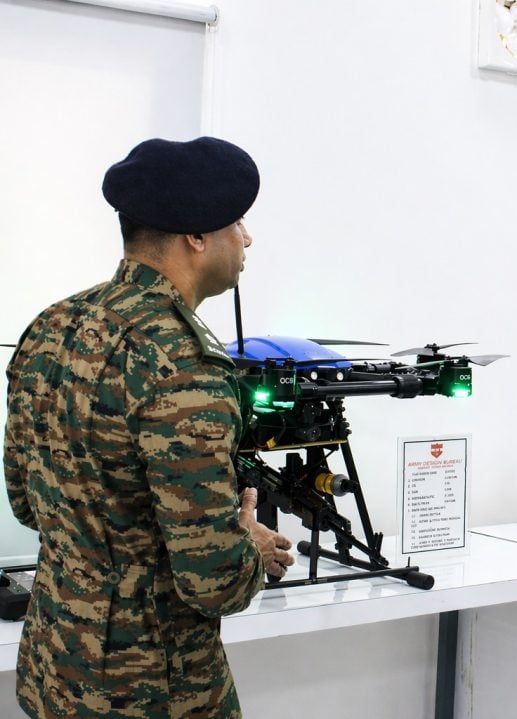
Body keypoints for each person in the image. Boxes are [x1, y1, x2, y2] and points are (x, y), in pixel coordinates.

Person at [3, 136, 296, 718]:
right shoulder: (183, 367)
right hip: (152, 687)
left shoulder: (52, 325)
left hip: (53, 667)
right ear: (197, 237)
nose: (247, 238)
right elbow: (213, 583)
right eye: (238, 222)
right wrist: (250, 547)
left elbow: (27, 503)